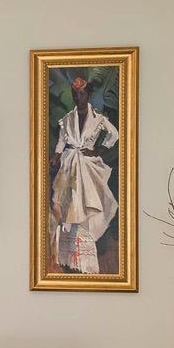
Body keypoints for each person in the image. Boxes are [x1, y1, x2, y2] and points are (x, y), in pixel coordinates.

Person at [50, 75, 120, 273]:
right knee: (68, 205)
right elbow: (62, 141)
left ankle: (85, 258)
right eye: (75, 94)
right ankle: (68, 257)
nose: (78, 98)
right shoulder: (67, 119)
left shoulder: (98, 118)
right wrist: (57, 154)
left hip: (88, 165)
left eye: (82, 94)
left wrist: (100, 150)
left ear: (88, 95)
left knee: (87, 204)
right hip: (69, 164)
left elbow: (114, 134)